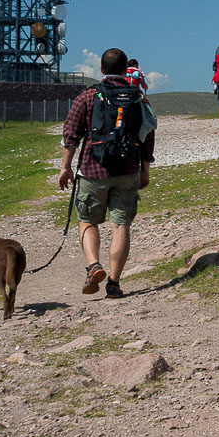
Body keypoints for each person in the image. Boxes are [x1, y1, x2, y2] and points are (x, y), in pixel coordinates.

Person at [58, 48, 155, 300]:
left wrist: (65, 167)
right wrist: (145, 170)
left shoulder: (88, 96)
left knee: (87, 220)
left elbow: (70, 136)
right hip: (128, 171)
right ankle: (114, 283)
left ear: (101, 69)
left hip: (93, 170)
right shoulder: (139, 98)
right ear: (126, 70)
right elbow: (148, 134)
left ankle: (93, 266)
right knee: (120, 225)